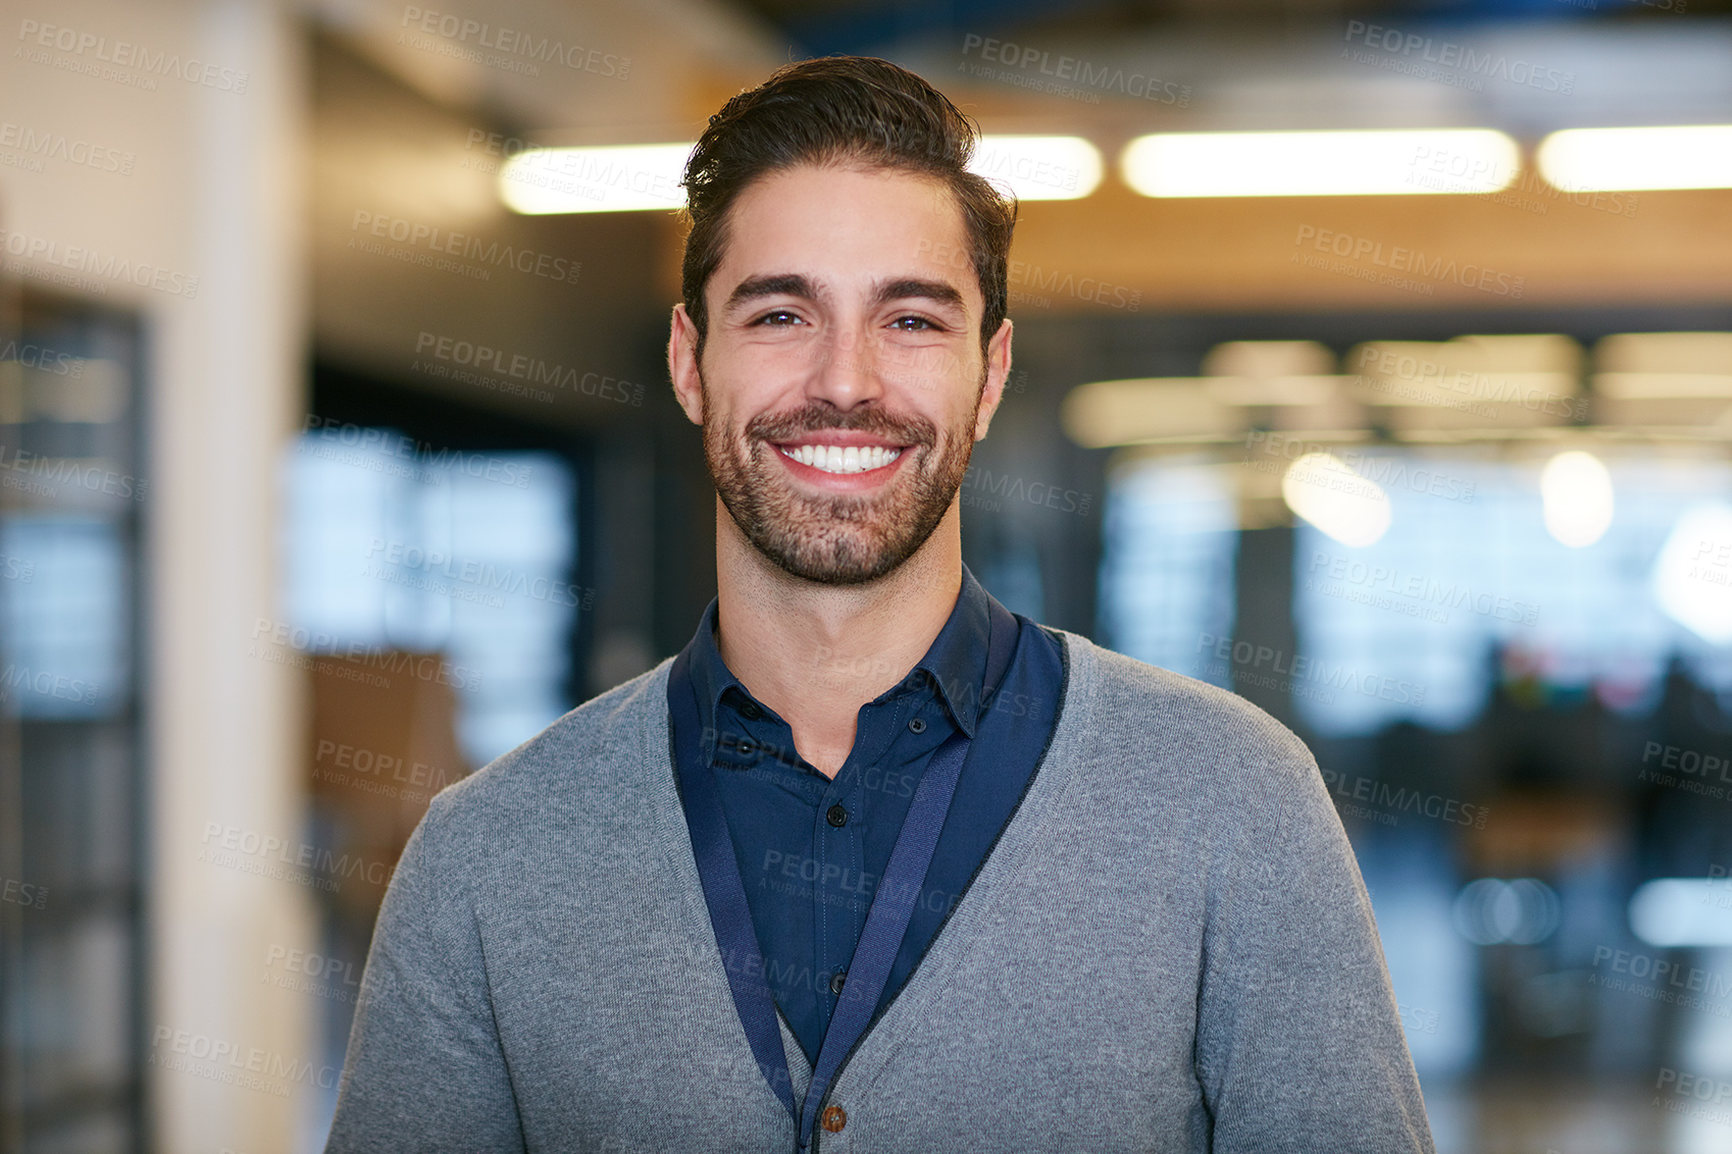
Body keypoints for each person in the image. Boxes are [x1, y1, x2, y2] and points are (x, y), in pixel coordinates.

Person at [326, 55, 1436, 1153]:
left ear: (989, 374)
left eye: (910, 320)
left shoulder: (1233, 801)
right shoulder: (485, 857)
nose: (846, 380)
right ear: (688, 362)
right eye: (778, 316)